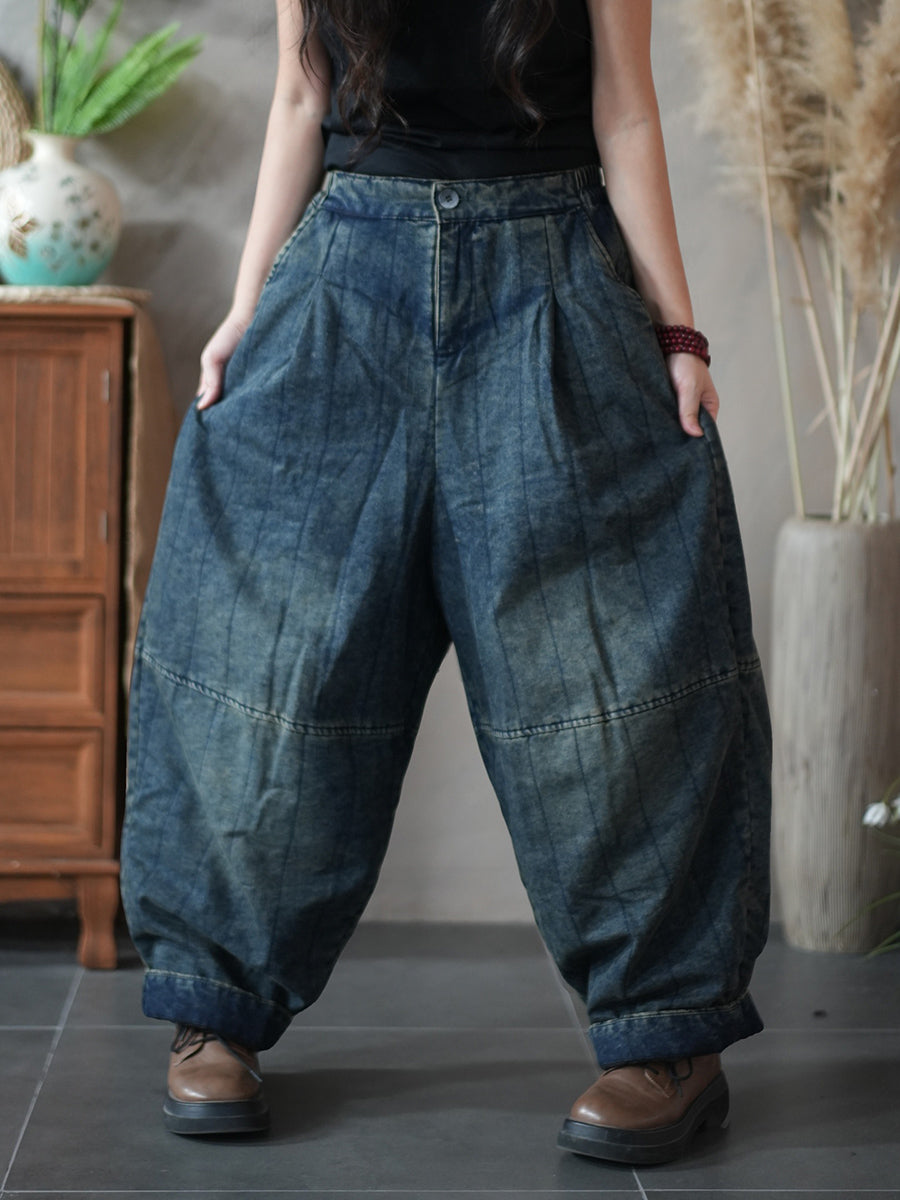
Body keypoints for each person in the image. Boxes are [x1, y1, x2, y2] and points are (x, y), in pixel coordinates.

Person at [121, 0, 772, 1165]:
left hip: (552, 274)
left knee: (614, 678)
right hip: (345, 275)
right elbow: (301, 96)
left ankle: (664, 1034)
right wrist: (249, 306)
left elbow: (625, 110)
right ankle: (214, 1010)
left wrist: (678, 332)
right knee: (267, 662)